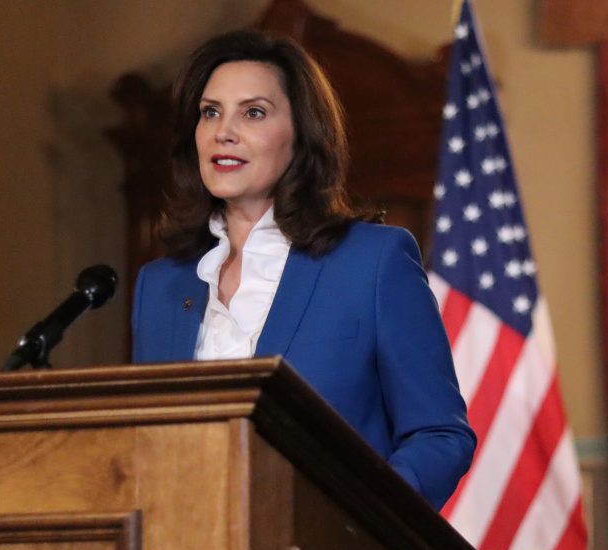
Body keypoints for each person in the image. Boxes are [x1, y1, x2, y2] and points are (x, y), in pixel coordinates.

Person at [131, 30, 474, 510]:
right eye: (210, 112)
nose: (223, 131)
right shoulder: (160, 286)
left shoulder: (372, 262)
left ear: (302, 135)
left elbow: (439, 434)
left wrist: (365, 518)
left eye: (253, 112)